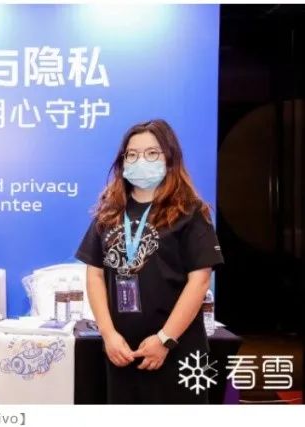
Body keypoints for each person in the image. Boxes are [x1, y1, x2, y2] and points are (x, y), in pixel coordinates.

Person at [75, 119, 224, 404]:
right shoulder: (109, 211)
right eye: (132, 154)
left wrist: (165, 339)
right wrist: (108, 335)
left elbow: (200, 280)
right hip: (122, 351)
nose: (140, 160)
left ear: (169, 158)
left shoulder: (190, 211)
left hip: (179, 349)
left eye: (152, 153)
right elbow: (94, 275)